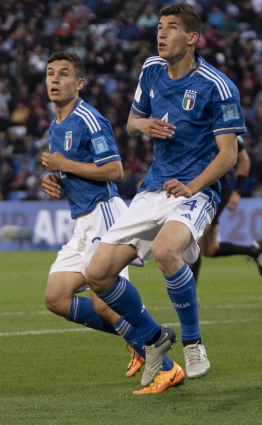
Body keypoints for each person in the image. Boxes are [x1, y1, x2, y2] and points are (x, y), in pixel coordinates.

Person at [85, 3, 245, 394]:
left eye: (172, 28)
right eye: (159, 27)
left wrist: (193, 186)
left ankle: (193, 344)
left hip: (196, 190)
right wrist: (144, 125)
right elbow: (132, 120)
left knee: (164, 252)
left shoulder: (217, 86)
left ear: (192, 38)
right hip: (154, 188)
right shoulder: (151, 69)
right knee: (97, 274)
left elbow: (229, 155)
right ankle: (153, 337)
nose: (161, 34)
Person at [39, 51, 173, 392]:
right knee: (56, 297)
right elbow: (65, 170)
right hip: (81, 222)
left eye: (64, 74)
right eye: (50, 73)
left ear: (79, 83)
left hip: (105, 212)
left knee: (102, 298)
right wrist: (53, 181)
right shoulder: (55, 127)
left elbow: (115, 171)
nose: (54, 80)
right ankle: (143, 345)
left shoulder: (90, 119)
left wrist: (64, 166)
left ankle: (166, 365)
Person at [189, 135, 262, 283]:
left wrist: (237, 191)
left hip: (215, 192)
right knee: (210, 249)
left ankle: (189, 299)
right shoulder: (191, 128)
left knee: (195, 244)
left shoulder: (222, 130)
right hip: (198, 190)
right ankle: (254, 250)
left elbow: (244, 159)